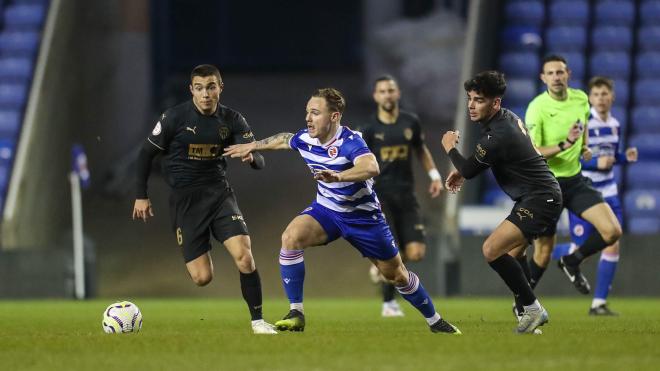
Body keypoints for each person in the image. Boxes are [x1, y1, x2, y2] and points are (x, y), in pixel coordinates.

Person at [224, 87, 461, 334]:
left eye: (315, 113)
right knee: (290, 237)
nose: (308, 118)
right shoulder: (306, 138)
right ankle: (296, 312)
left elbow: (371, 166)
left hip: (364, 219)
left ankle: (435, 321)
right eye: (307, 112)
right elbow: (285, 138)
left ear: (334, 117)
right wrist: (253, 146)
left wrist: (338, 176)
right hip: (327, 211)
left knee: (396, 275)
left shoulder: (351, 141)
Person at [132, 64, 277, 334]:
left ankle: (258, 322)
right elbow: (144, 155)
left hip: (219, 195)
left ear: (220, 88)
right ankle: (198, 247)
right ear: (192, 90)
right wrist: (141, 196)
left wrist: (252, 157)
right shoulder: (174, 118)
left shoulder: (233, 120)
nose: (206, 94)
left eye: (211, 87)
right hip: (185, 202)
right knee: (202, 278)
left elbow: (259, 159)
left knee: (245, 257)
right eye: (199, 88)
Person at [441, 70, 560, 334]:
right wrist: (462, 169)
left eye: (479, 100)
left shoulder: (498, 134)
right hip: (538, 195)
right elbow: (481, 161)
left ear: (495, 103)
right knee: (516, 253)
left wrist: (449, 147)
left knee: (492, 250)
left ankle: (532, 309)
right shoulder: (505, 121)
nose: (472, 105)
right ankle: (526, 315)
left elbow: (471, 169)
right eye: (470, 98)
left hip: (541, 198)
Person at [520, 55, 622, 300]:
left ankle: (571, 261)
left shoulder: (581, 99)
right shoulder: (537, 107)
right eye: (551, 73)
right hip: (547, 185)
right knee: (543, 252)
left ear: (568, 75)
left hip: (575, 181)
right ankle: (524, 301)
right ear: (543, 78)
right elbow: (533, 151)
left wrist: (584, 146)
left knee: (612, 231)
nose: (556, 77)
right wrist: (565, 144)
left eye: (560, 72)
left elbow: (583, 124)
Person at [357, 75, 443, 317]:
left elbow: (421, 150)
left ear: (398, 94)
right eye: (382, 91)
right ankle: (388, 304)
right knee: (390, 248)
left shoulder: (410, 122)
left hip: (407, 194)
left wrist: (435, 175)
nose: (387, 95)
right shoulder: (369, 129)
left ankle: (379, 269)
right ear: (376, 96)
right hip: (380, 196)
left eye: (390, 90)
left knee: (416, 253)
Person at [551, 76, 637, 315]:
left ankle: (598, 303)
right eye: (596, 94)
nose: (600, 99)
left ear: (612, 97)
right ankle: (547, 252)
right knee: (581, 250)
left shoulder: (616, 124)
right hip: (585, 192)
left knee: (612, 243)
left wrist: (623, 158)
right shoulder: (582, 123)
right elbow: (573, 160)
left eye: (604, 94)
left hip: (609, 191)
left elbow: (610, 156)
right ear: (590, 98)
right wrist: (596, 163)